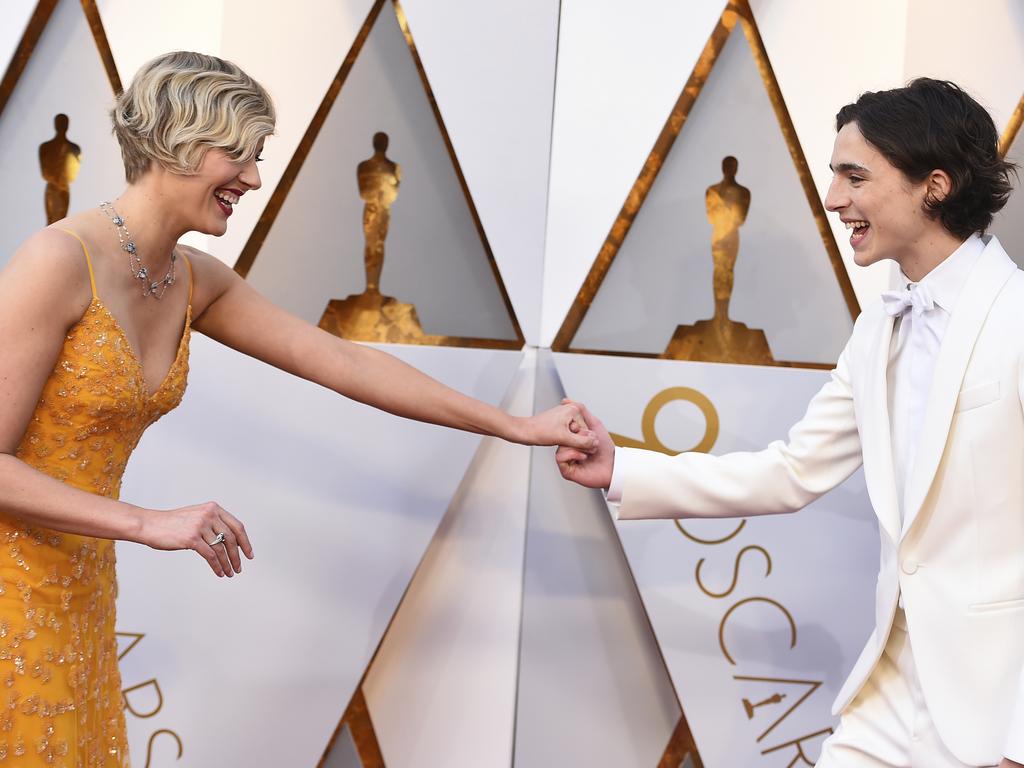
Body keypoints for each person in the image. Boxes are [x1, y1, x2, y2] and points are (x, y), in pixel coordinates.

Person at [0, 51, 595, 766]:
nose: (252, 177)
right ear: (175, 143)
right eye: (239, 155)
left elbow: (345, 363)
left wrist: (517, 425)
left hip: (80, 581)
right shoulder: (57, 261)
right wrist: (148, 522)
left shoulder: (194, 281)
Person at [557, 78, 1021, 768]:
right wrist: (620, 466)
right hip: (886, 699)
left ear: (935, 185)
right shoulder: (879, 327)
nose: (834, 199)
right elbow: (793, 471)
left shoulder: (1015, 319)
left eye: (853, 176)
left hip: (996, 711)